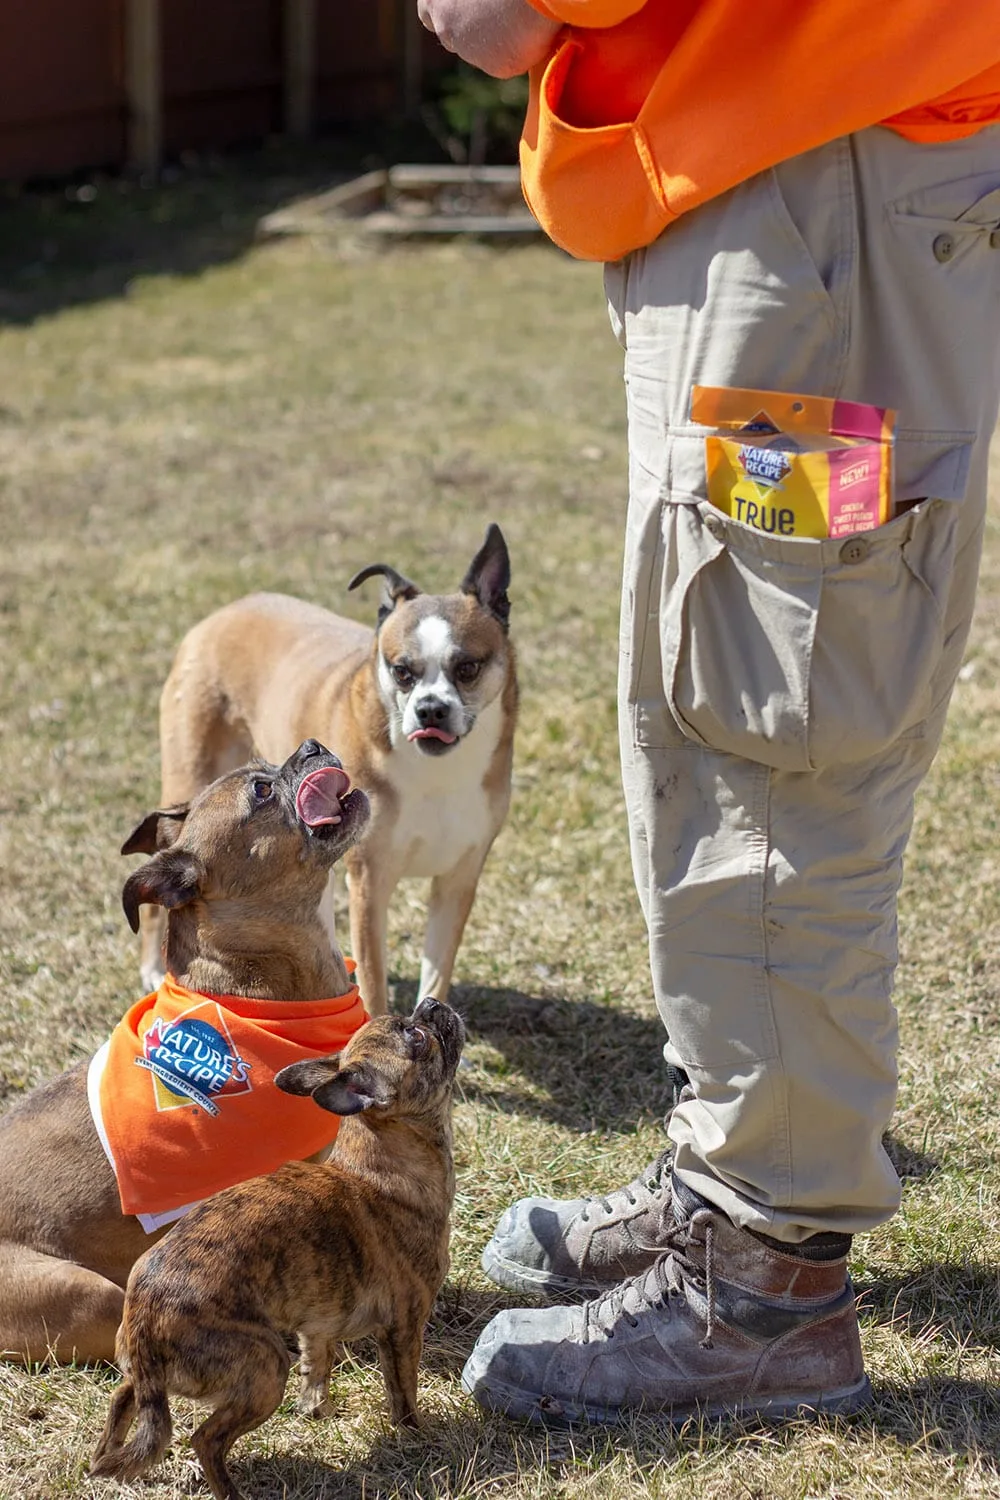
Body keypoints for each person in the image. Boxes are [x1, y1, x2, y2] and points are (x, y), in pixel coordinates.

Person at [417, 0, 1000, 1426]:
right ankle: (728, 1177)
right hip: (812, 188)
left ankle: (763, 1284)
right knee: (743, 705)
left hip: (814, 198)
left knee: (774, 729)